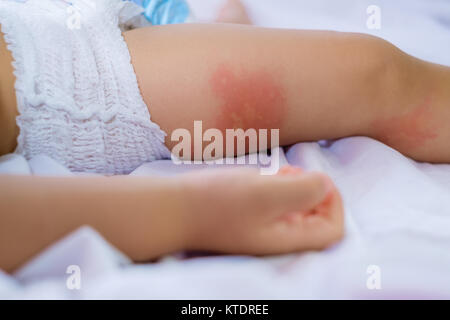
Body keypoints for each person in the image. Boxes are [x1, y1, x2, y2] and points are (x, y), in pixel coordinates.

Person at [0, 0, 448, 273]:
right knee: (372, 74)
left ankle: (219, 24)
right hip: (58, 77)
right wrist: (192, 213)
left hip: (35, 28)